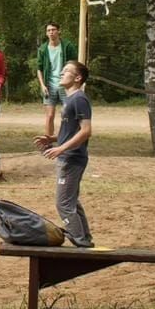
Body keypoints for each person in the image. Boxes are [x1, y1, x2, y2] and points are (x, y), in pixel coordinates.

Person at [36, 60, 94, 247]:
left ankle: (80, 241)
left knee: (63, 204)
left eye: (66, 71)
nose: (61, 74)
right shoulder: (69, 99)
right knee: (72, 201)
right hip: (67, 156)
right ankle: (85, 238)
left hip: (72, 158)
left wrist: (61, 148)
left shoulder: (79, 99)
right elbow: (71, 129)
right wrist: (53, 139)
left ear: (77, 78)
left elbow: (86, 131)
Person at [34, 23, 77, 143]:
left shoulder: (67, 46)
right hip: (49, 85)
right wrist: (42, 85)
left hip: (65, 85)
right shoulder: (43, 49)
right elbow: (39, 68)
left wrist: (74, 84)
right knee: (49, 115)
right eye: (48, 30)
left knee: (67, 115)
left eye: (53, 30)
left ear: (59, 31)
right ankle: (48, 142)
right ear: (46, 33)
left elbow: (75, 65)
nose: (51, 32)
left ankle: (67, 141)